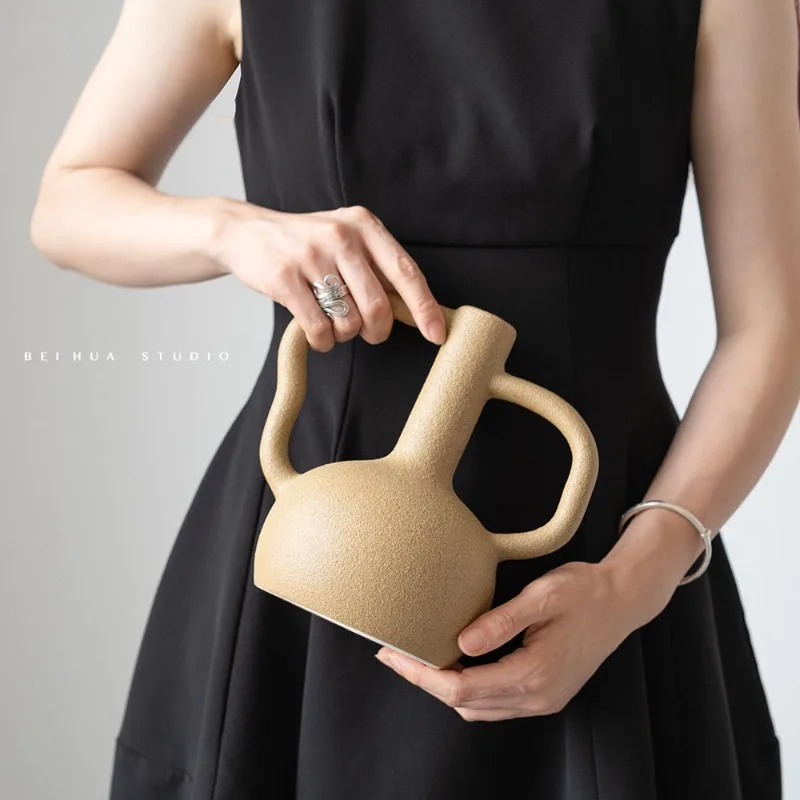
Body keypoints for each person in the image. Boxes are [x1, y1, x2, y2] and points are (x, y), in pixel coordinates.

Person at [29, 0, 800, 797]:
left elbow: (769, 328)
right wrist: (234, 231)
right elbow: (68, 205)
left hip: (599, 569)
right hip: (309, 554)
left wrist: (630, 586)